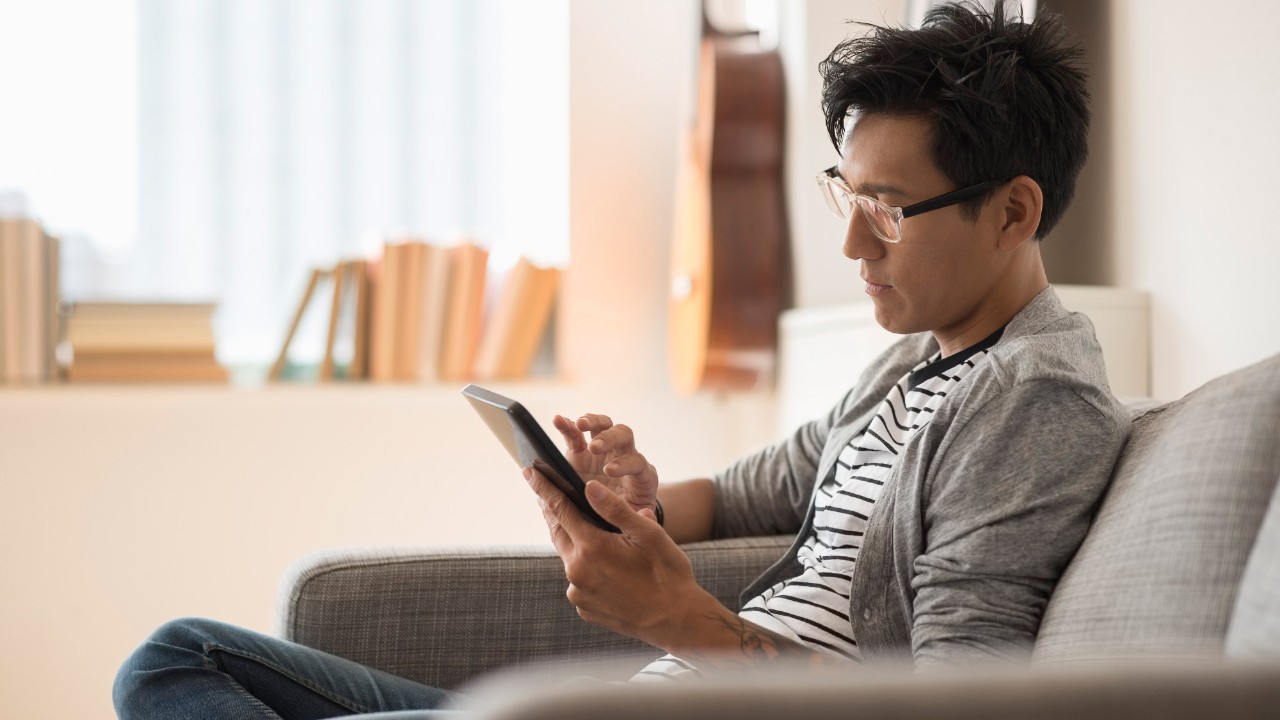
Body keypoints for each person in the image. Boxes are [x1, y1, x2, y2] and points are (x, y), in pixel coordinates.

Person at [113, 1, 1129, 717]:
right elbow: (743, 495)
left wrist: (678, 617)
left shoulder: (1031, 401)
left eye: (888, 213)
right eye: (845, 197)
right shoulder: (912, 363)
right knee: (178, 658)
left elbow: (956, 705)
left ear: (1012, 211)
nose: (851, 245)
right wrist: (632, 498)